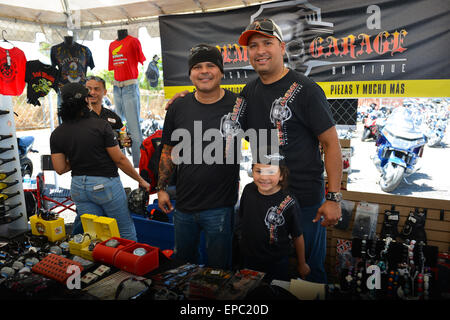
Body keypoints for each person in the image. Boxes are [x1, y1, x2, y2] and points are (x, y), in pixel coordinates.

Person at [237, 18, 343, 283]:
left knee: (308, 271)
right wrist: (192, 96)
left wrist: (334, 198)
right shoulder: (248, 92)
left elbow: (331, 144)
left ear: (282, 47)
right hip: (265, 197)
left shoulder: (306, 89)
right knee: (271, 271)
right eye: (253, 45)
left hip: (305, 201)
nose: (260, 50)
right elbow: (226, 123)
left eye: (267, 43)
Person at [156, 44, 242, 269]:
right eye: (197, 67)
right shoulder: (178, 106)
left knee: (218, 271)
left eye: (210, 65)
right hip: (183, 206)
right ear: (190, 74)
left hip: (220, 208)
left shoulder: (239, 106)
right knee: (182, 267)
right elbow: (168, 149)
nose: (204, 71)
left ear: (221, 72)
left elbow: (265, 142)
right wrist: (161, 188)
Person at [50, 82, 150, 241]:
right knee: (124, 230)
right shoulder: (100, 125)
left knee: (94, 234)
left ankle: (98, 263)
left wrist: (79, 157)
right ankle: (128, 264)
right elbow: (120, 159)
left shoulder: (57, 133)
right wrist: (141, 180)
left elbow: (60, 168)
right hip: (104, 184)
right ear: (86, 101)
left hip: (78, 187)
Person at [237, 146, 310, 282]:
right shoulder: (248, 191)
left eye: (271, 171)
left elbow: (297, 235)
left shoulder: (289, 202)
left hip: (277, 262)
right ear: (252, 171)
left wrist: (302, 263)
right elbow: (243, 219)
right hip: (248, 259)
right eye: (259, 171)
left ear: (281, 175)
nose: (264, 177)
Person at [85, 75, 132, 148]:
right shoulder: (79, 116)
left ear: (104, 92)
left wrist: (126, 140)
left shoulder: (112, 116)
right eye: (88, 89)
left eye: (96, 89)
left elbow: (123, 138)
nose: (92, 92)